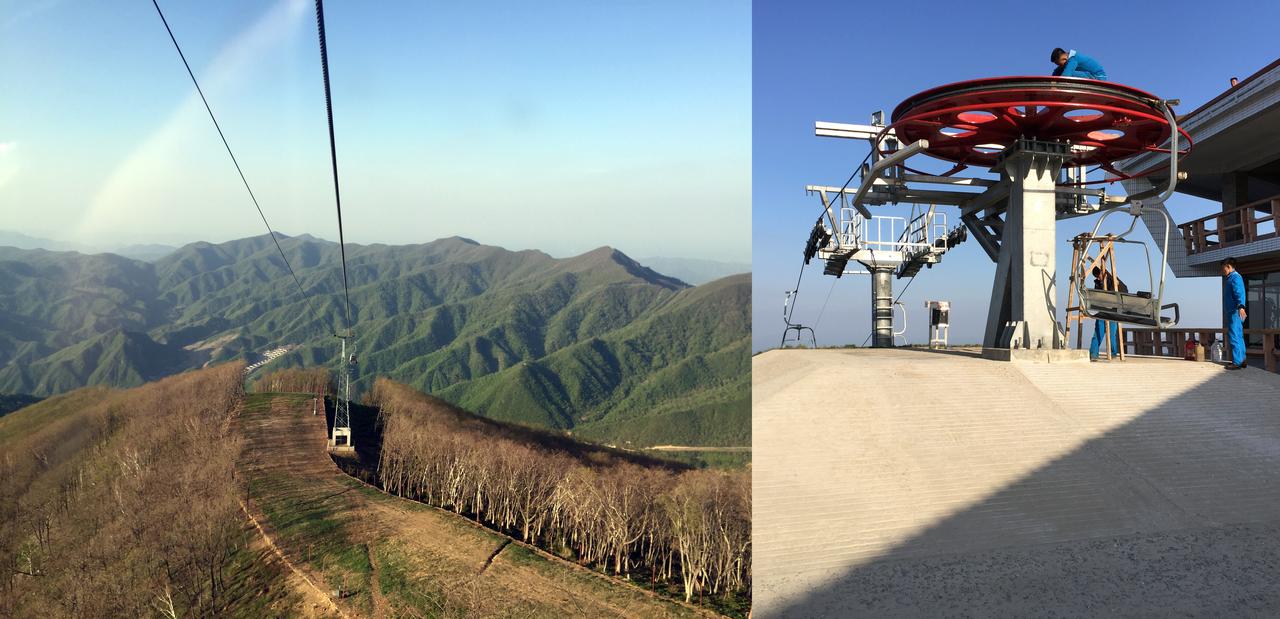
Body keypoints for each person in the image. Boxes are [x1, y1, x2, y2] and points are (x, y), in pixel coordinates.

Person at [1089, 265, 1126, 360]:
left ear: (1102, 272)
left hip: (1113, 312)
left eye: (1099, 275)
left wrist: (1117, 284)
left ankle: (1113, 353)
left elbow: (1124, 289)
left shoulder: (1112, 278)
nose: (1098, 278)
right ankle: (1093, 353)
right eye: (1096, 276)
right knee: (1098, 333)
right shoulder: (1098, 283)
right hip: (1103, 312)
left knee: (1112, 334)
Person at [1222, 258, 1248, 369]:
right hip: (1233, 310)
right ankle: (1242, 360)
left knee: (1234, 336)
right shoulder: (1232, 278)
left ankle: (1237, 362)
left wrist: (1241, 306)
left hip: (1234, 311)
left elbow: (1239, 293)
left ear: (1228, 266)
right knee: (1239, 336)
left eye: (1223, 267)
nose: (1223, 270)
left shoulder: (1235, 278)